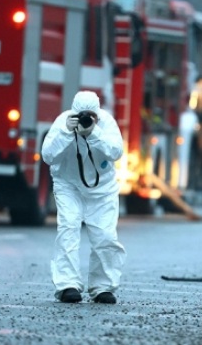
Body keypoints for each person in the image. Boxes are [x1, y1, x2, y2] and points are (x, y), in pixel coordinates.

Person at [41, 90, 126, 304]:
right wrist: (66, 134)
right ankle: (67, 285)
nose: (87, 119)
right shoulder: (63, 123)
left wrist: (93, 133)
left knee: (105, 236)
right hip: (68, 186)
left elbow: (116, 152)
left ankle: (102, 287)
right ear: (74, 112)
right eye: (83, 115)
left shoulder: (106, 123)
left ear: (98, 114)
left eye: (91, 116)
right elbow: (48, 156)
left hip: (103, 190)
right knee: (68, 229)